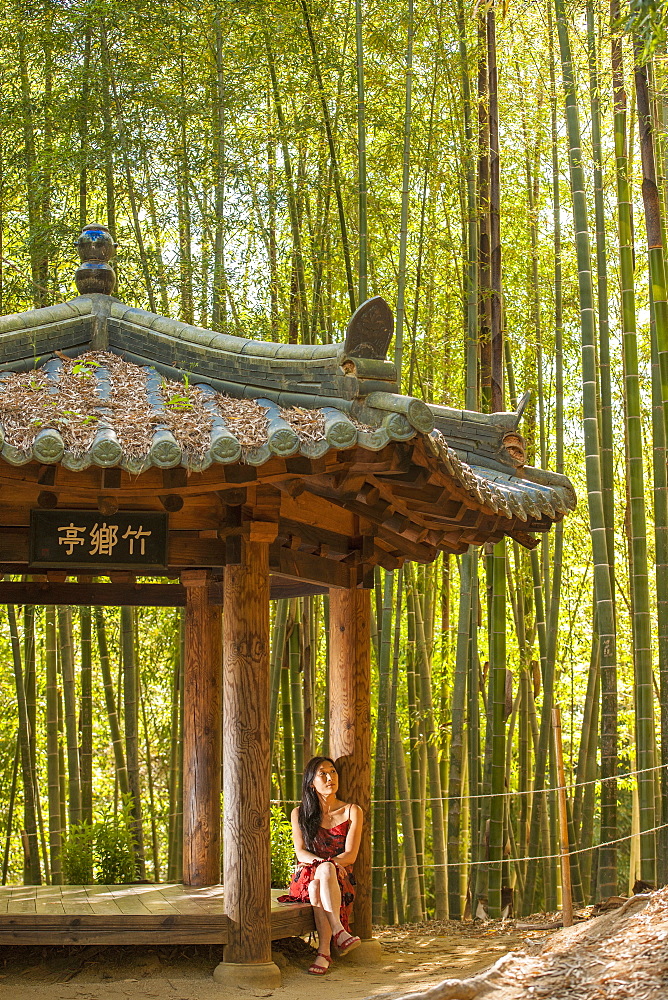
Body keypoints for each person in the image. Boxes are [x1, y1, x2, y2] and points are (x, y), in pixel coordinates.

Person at [277, 756, 362, 975]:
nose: (329, 778)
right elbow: (301, 852)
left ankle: (324, 951)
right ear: (310, 783)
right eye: (322, 774)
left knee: (319, 884)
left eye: (333, 772)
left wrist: (329, 866)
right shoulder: (299, 813)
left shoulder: (352, 811)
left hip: (339, 878)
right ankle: (339, 931)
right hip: (307, 874)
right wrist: (325, 865)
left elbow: (350, 855)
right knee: (321, 874)